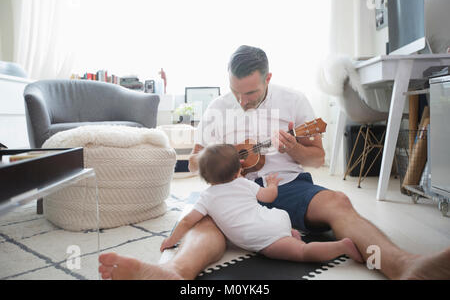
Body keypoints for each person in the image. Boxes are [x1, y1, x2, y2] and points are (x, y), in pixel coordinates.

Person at [99, 45, 450, 280]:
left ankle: (404, 265)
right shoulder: (218, 108)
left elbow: (319, 157)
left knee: (339, 202)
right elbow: (193, 164)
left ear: (268, 79)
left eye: (250, 93)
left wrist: (298, 151)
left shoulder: (295, 101)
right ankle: (174, 273)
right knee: (201, 221)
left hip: (287, 186)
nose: (242, 100)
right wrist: (220, 157)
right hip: (229, 191)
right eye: (236, 91)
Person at [160, 144, 364, 265]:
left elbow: (187, 221)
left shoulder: (207, 197)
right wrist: (273, 184)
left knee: (302, 253)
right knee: (279, 225)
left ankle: (341, 247)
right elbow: (268, 197)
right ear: (238, 171)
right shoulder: (244, 183)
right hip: (276, 217)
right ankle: (290, 233)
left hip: (264, 237)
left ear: (204, 177)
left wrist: (171, 240)